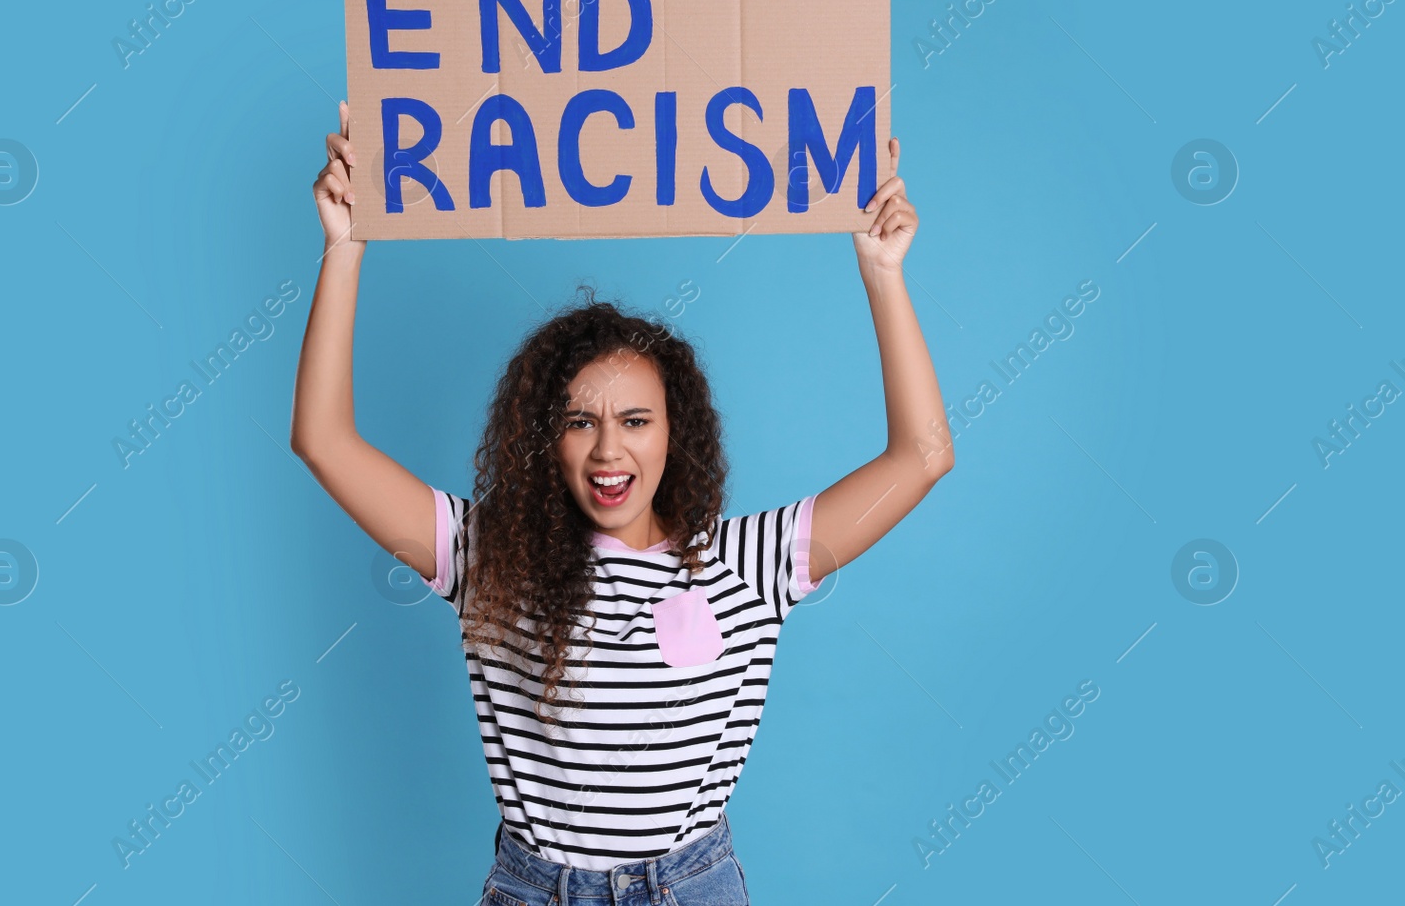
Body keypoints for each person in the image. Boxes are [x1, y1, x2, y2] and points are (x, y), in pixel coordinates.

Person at [291, 101, 953, 905]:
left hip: (689, 886)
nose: (610, 450)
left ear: (677, 434)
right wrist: (345, 249)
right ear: (547, 439)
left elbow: (922, 457)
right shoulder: (487, 554)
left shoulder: (747, 563)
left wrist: (884, 273)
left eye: (636, 420)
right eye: (581, 422)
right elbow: (322, 439)